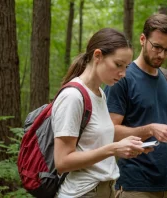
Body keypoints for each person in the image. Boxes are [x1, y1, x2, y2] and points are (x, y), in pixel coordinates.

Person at [104, 14, 167, 198]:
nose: (161, 54)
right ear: (143, 39)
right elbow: (110, 132)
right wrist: (149, 129)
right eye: (157, 47)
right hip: (135, 185)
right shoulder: (122, 78)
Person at [52, 28, 148, 198]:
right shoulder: (73, 96)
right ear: (98, 56)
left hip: (105, 189)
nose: (123, 74)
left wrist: (127, 144)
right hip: (82, 192)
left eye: (126, 67)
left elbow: (93, 143)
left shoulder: (100, 93)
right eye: (118, 65)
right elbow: (62, 162)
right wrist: (113, 149)